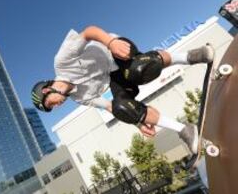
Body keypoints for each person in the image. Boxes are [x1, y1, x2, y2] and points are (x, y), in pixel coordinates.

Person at [31, 26, 214, 154]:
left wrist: (110, 42)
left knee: (139, 70)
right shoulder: (79, 97)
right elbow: (108, 106)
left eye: (51, 104)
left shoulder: (62, 62)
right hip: (113, 75)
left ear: (47, 91)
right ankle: (184, 130)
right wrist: (137, 121)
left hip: (114, 50)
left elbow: (89, 32)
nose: (57, 106)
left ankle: (190, 56)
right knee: (122, 108)